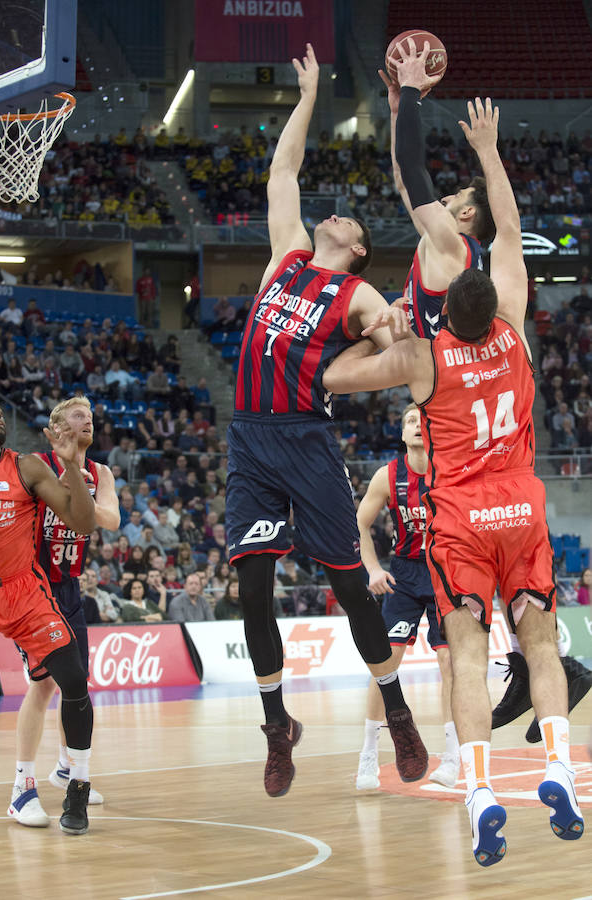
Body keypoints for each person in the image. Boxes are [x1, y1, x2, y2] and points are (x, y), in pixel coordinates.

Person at [323, 83, 584, 865]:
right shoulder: (515, 325)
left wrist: (383, 335)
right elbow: (511, 227)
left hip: (461, 512)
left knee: (468, 655)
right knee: (541, 647)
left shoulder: (429, 360)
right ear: (497, 300)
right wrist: (490, 151)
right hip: (523, 503)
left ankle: (476, 790)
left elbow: (335, 376)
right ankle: (561, 769)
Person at [226, 43, 428, 800]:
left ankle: (400, 716)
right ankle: (278, 726)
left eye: (346, 218)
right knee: (250, 589)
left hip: (308, 443)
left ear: (359, 247)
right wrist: (307, 95)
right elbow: (284, 171)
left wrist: (400, 326)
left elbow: (394, 348)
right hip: (249, 436)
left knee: (350, 591)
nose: (333, 211)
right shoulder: (288, 255)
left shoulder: (358, 295)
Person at [11, 396, 120, 829]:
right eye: (77, 416)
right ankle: (22, 784)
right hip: (34, 587)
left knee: (76, 687)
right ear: (56, 427)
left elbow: (109, 519)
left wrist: (80, 501)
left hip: (70, 589)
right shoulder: (35, 466)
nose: (86, 422)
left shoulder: (101, 473)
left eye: (90, 418)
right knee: (42, 688)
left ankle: (65, 768)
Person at [0, 400, 96, 835]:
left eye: (0, 414)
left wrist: (71, 467)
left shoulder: (28, 468)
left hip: (22, 590)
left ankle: (78, 784)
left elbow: (83, 522)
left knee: (72, 678)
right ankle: (22, 790)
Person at [355, 403, 459, 791]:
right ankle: (368, 754)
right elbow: (359, 525)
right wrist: (373, 569)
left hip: (446, 572)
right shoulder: (387, 476)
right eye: (410, 421)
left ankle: (451, 757)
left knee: (449, 660)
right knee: (386, 662)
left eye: (422, 420)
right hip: (404, 572)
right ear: (401, 434)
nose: (417, 426)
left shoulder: (452, 469)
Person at [379, 54, 494, 340]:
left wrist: (411, 93)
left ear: (468, 213)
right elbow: (404, 181)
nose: (444, 199)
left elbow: (412, 166)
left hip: (440, 379)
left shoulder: (451, 244)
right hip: (434, 373)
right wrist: (396, 113)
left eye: (457, 195)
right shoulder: (448, 246)